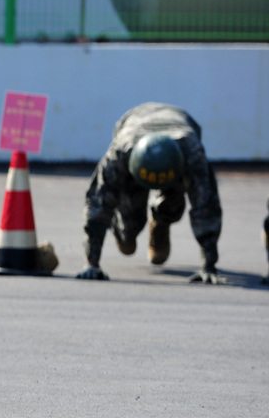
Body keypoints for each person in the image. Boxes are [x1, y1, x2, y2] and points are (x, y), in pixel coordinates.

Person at [75, 102, 224, 284]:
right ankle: (124, 232)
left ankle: (160, 222)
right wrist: (92, 263)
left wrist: (208, 265)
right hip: (135, 132)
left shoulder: (192, 154)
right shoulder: (120, 154)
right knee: (129, 233)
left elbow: (206, 206)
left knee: (173, 205)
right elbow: (98, 202)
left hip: (177, 147)